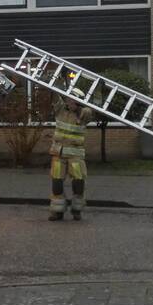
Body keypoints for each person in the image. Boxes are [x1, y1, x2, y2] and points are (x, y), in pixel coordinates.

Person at [48, 89, 93, 221]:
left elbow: (88, 114)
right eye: (68, 99)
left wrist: (77, 108)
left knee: (78, 183)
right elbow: (55, 94)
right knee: (56, 184)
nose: (69, 101)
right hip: (58, 153)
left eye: (73, 99)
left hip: (75, 155)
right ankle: (57, 211)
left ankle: (77, 209)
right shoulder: (60, 109)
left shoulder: (84, 113)